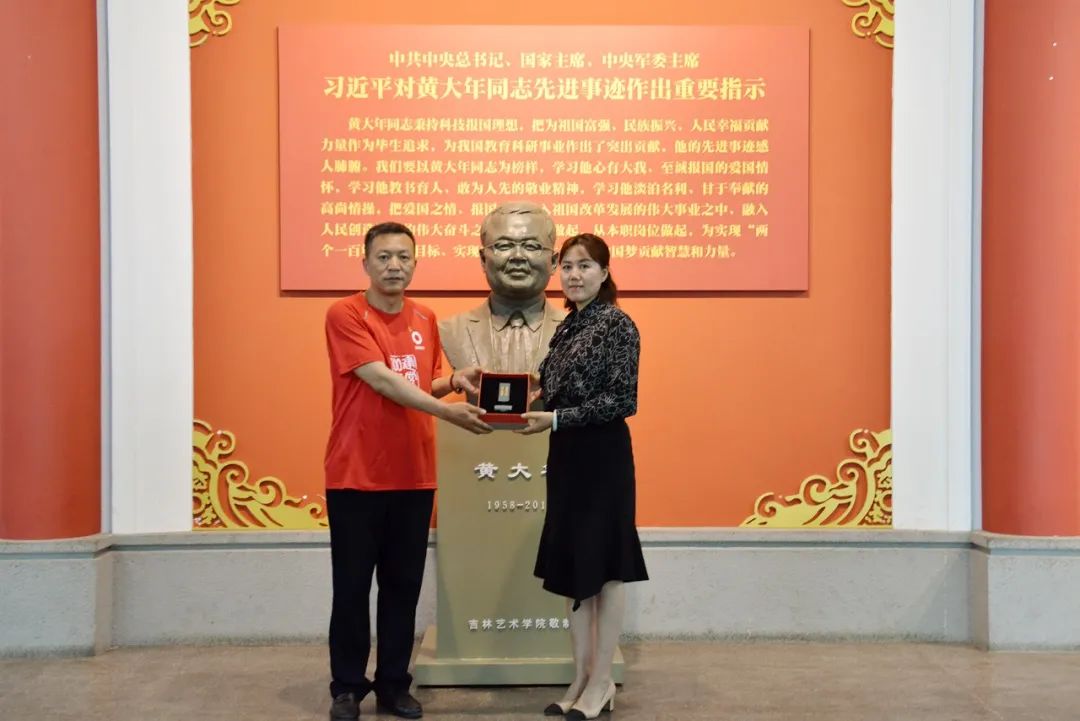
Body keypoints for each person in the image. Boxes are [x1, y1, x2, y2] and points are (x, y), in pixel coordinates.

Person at [323, 222, 492, 721]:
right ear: (365, 263)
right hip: (356, 475)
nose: (394, 266)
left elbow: (418, 384)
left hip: (414, 476)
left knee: (402, 587)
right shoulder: (345, 313)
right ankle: (347, 687)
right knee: (352, 587)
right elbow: (381, 381)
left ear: (415, 263)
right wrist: (447, 412)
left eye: (403, 257)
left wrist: (453, 381)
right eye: (384, 257)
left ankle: (394, 684)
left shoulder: (424, 317)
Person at [519, 233, 649, 720]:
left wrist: (556, 418)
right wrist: (524, 394)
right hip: (567, 456)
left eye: (585, 266)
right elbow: (554, 388)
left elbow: (622, 400)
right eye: (567, 266)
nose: (573, 275)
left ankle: (601, 682)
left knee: (607, 569)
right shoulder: (569, 325)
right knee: (575, 565)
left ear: (604, 272)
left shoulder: (618, 324)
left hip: (602, 457)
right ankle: (579, 677)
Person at [439, 201, 566, 381]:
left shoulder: (575, 331)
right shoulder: (452, 329)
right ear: (483, 259)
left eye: (531, 246)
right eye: (504, 245)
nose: (518, 256)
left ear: (553, 262)